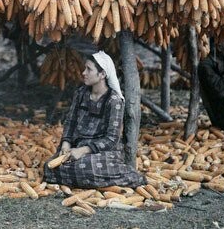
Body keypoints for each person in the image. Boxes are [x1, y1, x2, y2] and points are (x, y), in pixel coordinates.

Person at [43, 51, 146, 189]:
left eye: (89, 69)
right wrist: (66, 144)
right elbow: (70, 122)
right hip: (77, 147)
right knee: (49, 168)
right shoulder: (80, 93)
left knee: (85, 168)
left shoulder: (113, 101)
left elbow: (111, 139)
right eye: (85, 68)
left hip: (103, 151)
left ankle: (132, 177)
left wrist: (83, 151)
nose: (83, 72)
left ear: (102, 74)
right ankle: (91, 178)